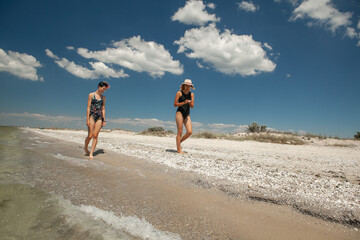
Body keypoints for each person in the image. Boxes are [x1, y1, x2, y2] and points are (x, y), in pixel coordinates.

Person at [84, 81, 110, 159]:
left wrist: (104, 120)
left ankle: (91, 152)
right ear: (99, 87)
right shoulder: (91, 95)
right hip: (92, 115)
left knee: (95, 135)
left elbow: (103, 108)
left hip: (99, 117)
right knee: (90, 135)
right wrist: (87, 119)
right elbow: (88, 107)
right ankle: (85, 148)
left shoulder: (103, 97)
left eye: (105, 90)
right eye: (103, 89)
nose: (103, 90)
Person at [174, 79, 195, 154]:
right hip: (179, 113)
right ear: (184, 85)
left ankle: (179, 143)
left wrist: (189, 103)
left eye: (189, 86)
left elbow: (192, 106)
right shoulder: (179, 93)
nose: (188, 87)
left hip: (187, 114)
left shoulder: (191, 94)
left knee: (189, 132)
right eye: (187, 86)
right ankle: (179, 149)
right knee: (180, 132)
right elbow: (175, 104)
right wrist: (183, 102)